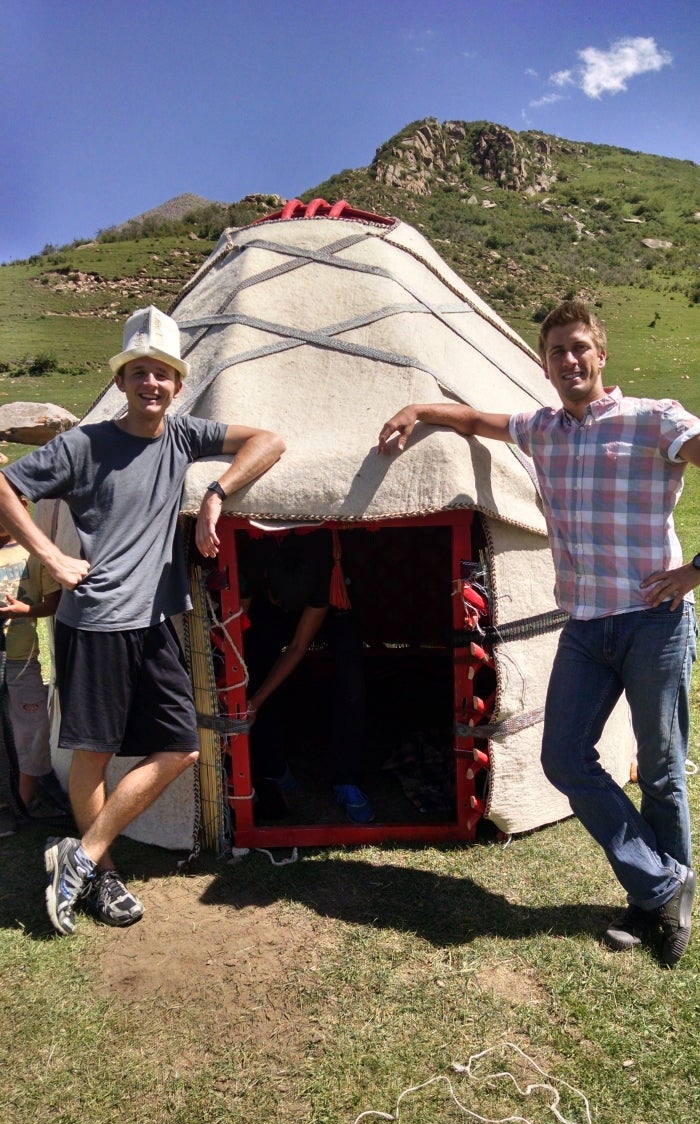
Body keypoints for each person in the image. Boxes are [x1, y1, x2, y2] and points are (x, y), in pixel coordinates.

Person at [378, 298, 698, 966]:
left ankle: (664, 913)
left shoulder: (654, 419)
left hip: (652, 621)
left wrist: (695, 570)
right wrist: (420, 410)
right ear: (544, 363)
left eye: (580, 346)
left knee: (663, 768)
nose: (570, 360)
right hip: (584, 624)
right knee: (562, 757)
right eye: (557, 351)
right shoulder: (541, 427)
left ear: (601, 354)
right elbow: (474, 418)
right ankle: (665, 884)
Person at [0, 306, 284, 935]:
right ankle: (96, 876)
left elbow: (269, 440)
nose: (150, 384)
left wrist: (216, 493)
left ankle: (77, 855)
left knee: (180, 748)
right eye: (139, 373)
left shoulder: (184, 438)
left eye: (162, 374)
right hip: (95, 622)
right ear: (123, 379)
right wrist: (51, 555)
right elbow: (3, 486)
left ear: (178, 384)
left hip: (157, 620)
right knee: (95, 757)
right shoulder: (83, 444)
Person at [238, 528, 374, 823]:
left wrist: (255, 703)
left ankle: (347, 780)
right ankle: (273, 767)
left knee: (350, 679)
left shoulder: (322, 577)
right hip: (271, 590)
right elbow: (237, 632)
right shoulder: (255, 559)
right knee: (258, 657)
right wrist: (242, 692)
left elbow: (299, 646)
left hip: (334, 598)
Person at [0, 504, 69, 819]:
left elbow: (52, 603)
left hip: (22, 659)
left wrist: (23, 612)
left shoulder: (34, 552)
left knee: (33, 727)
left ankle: (25, 803)